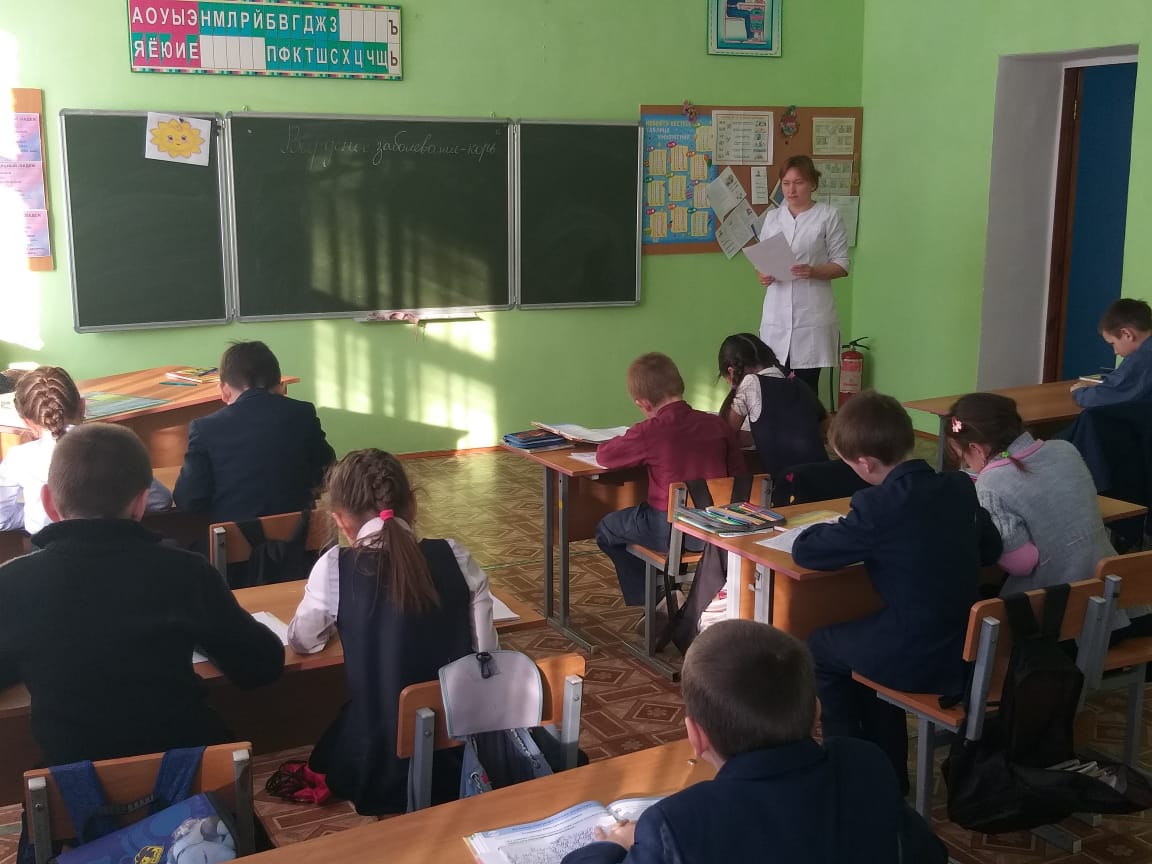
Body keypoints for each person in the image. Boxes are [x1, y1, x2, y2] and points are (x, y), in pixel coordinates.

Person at [0, 423, 284, 766]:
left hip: (73, 787)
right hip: (191, 780)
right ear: (141, 503)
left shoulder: (11, 583)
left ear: (48, 502)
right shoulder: (186, 571)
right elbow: (262, 665)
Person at [561, 620, 947, 864]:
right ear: (816, 710)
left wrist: (616, 845)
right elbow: (929, 854)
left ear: (696, 736)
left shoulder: (676, 825)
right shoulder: (864, 764)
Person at [791, 391, 1001, 789]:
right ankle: (885, 771)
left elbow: (808, 552)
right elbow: (991, 549)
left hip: (920, 655)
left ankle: (849, 772)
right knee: (865, 643)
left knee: (820, 646)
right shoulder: (958, 486)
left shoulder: (877, 506)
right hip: (968, 648)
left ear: (866, 464)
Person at [287, 449, 498, 815]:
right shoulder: (455, 555)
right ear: (413, 504)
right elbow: (487, 654)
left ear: (340, 521)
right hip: (460, 757)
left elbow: (303, 641)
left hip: (376, 764)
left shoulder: (335, 567)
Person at [947, 392, 1152, 633]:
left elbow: (1022, 563)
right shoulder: (1065, 449)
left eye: (964, 458)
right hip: (1118, 601)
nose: (968, 465)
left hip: (1062, 617)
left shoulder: (991, 482)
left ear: (976, 449)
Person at [594, 353, 744, 606]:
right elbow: (740, 476)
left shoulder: (650, 431)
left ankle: (657, 599)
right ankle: (668, 594)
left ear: (643, 404)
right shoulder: (717, 425)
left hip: (670, 529)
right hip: (719, 527)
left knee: (606, 529)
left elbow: (605, 456)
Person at [174, 341, 335, 523]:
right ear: (281, 387)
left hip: (233, 539)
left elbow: (188, 500)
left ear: (224, 391)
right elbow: (327, 472)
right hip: (300, 535)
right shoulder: (303, 413)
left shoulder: (205, 428)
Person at [0, 366, 172, 535]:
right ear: (82, 406)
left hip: (46, 548)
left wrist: (33, 516)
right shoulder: (115, 445)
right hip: (119, 544)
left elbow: (2, 518)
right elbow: (161, 501)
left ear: (26, 421)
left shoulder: (19, 458)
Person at [755, 155, 850, 396]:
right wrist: (763, 275)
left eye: (798, 183)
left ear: (812, 184)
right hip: (776, 315)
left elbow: (842, 264)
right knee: (774, 386)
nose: (791, 190)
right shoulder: (773, 218)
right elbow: (762, 260)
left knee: (806, 390)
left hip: (811, 316)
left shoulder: (828, 215)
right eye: (786, 183)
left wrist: (813, 271)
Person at [716, 332, 826, 477]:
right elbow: (823, 428)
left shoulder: (751, 382)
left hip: (791, 484)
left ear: (731, 372)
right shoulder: (798, 384)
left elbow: (726, 434)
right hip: (821, 476)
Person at [1070, 298, 1152, 407]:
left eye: (1113, 343)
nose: (1115, 352)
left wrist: (1079, 391)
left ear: (1127, 334)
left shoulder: (1141, 359)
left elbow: (1099, 398)